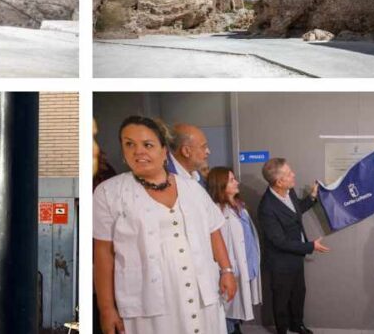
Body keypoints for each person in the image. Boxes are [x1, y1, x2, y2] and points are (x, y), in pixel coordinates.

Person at [94, 115, 237, 334]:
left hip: (201, 295)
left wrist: (226, 270)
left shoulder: (192, 188)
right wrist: (106, 309)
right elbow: (103, 253)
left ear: (164, 150)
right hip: (147, 305)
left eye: (147, 145)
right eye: (129, 144)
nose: (138, 151)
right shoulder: (109, 193)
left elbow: (213, 230)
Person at [258, 158, 326, 334]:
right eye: (289, 173)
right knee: (281, 300)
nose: (293, 174)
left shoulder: (289, 191)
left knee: (298, 295)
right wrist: (310, 246)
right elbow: (279, 241)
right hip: (280, 263)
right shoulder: (267, 208)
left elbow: (296, 211)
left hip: (296, 259)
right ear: (279, 181)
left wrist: (312, 198)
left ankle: (298, 325)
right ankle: (282, 330)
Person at [208, 167, 262, 334]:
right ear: (221, 185)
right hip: (232, 270)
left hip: (246, 267)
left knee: (235, 310)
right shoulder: (217, 211)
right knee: (229, 309)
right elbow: (218, 246)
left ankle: (235, 328)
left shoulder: (239, 207)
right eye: (232, 180)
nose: (236, 182)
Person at [168, 123, 211, 188]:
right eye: (203, 147)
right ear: (186, 151)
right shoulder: (164, 178)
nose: (208, 151)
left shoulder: (197, 175)